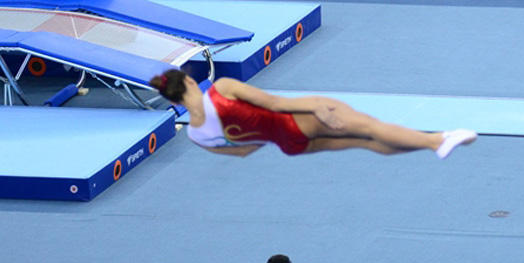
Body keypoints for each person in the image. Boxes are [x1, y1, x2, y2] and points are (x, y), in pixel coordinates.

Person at [149, 69, 476, 159]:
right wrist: (315, 107)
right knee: (371, 127)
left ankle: (432, 145)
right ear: (190, 80)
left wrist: (268, 133)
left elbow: (244, 151)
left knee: (364, 142)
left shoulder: (194, 134)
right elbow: (274, 103)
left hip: (288, 143)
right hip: (295, 119)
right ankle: (436, 140)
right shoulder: (222, 88)